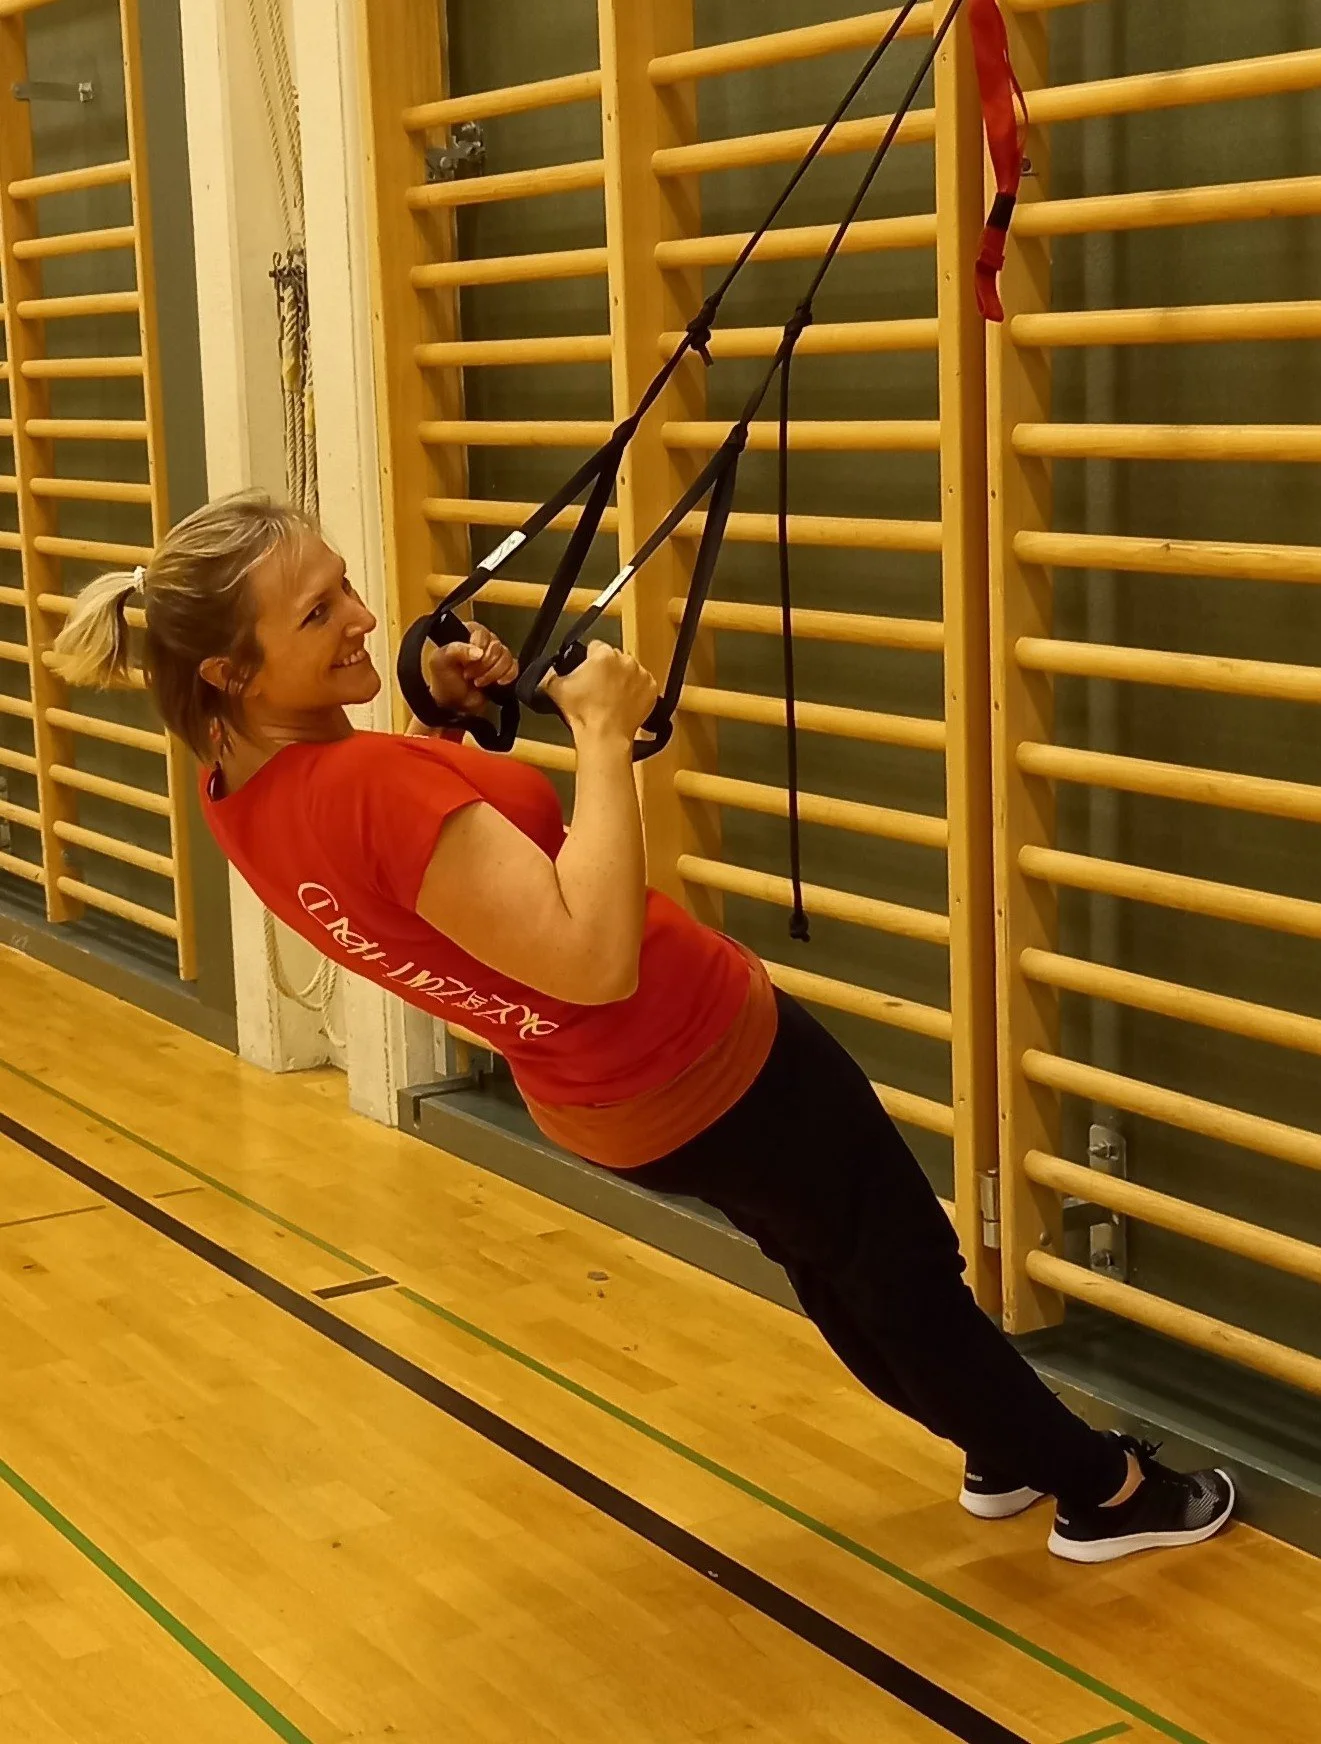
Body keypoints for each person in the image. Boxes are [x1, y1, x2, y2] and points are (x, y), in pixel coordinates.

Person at [53, 488, 1235, 1565]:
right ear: (229, 673)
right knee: (895, 1270)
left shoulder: (238, 789)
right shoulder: (366, 788)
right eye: (320, 613)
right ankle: (1104, 1490)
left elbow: (415, 874)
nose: (363, 615)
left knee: (838, 1257)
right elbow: (590, 956)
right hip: (700, 1053)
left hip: (613, 1099)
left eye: (345, 582)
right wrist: (604, 735)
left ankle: (996, 1436)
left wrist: (439, 724)